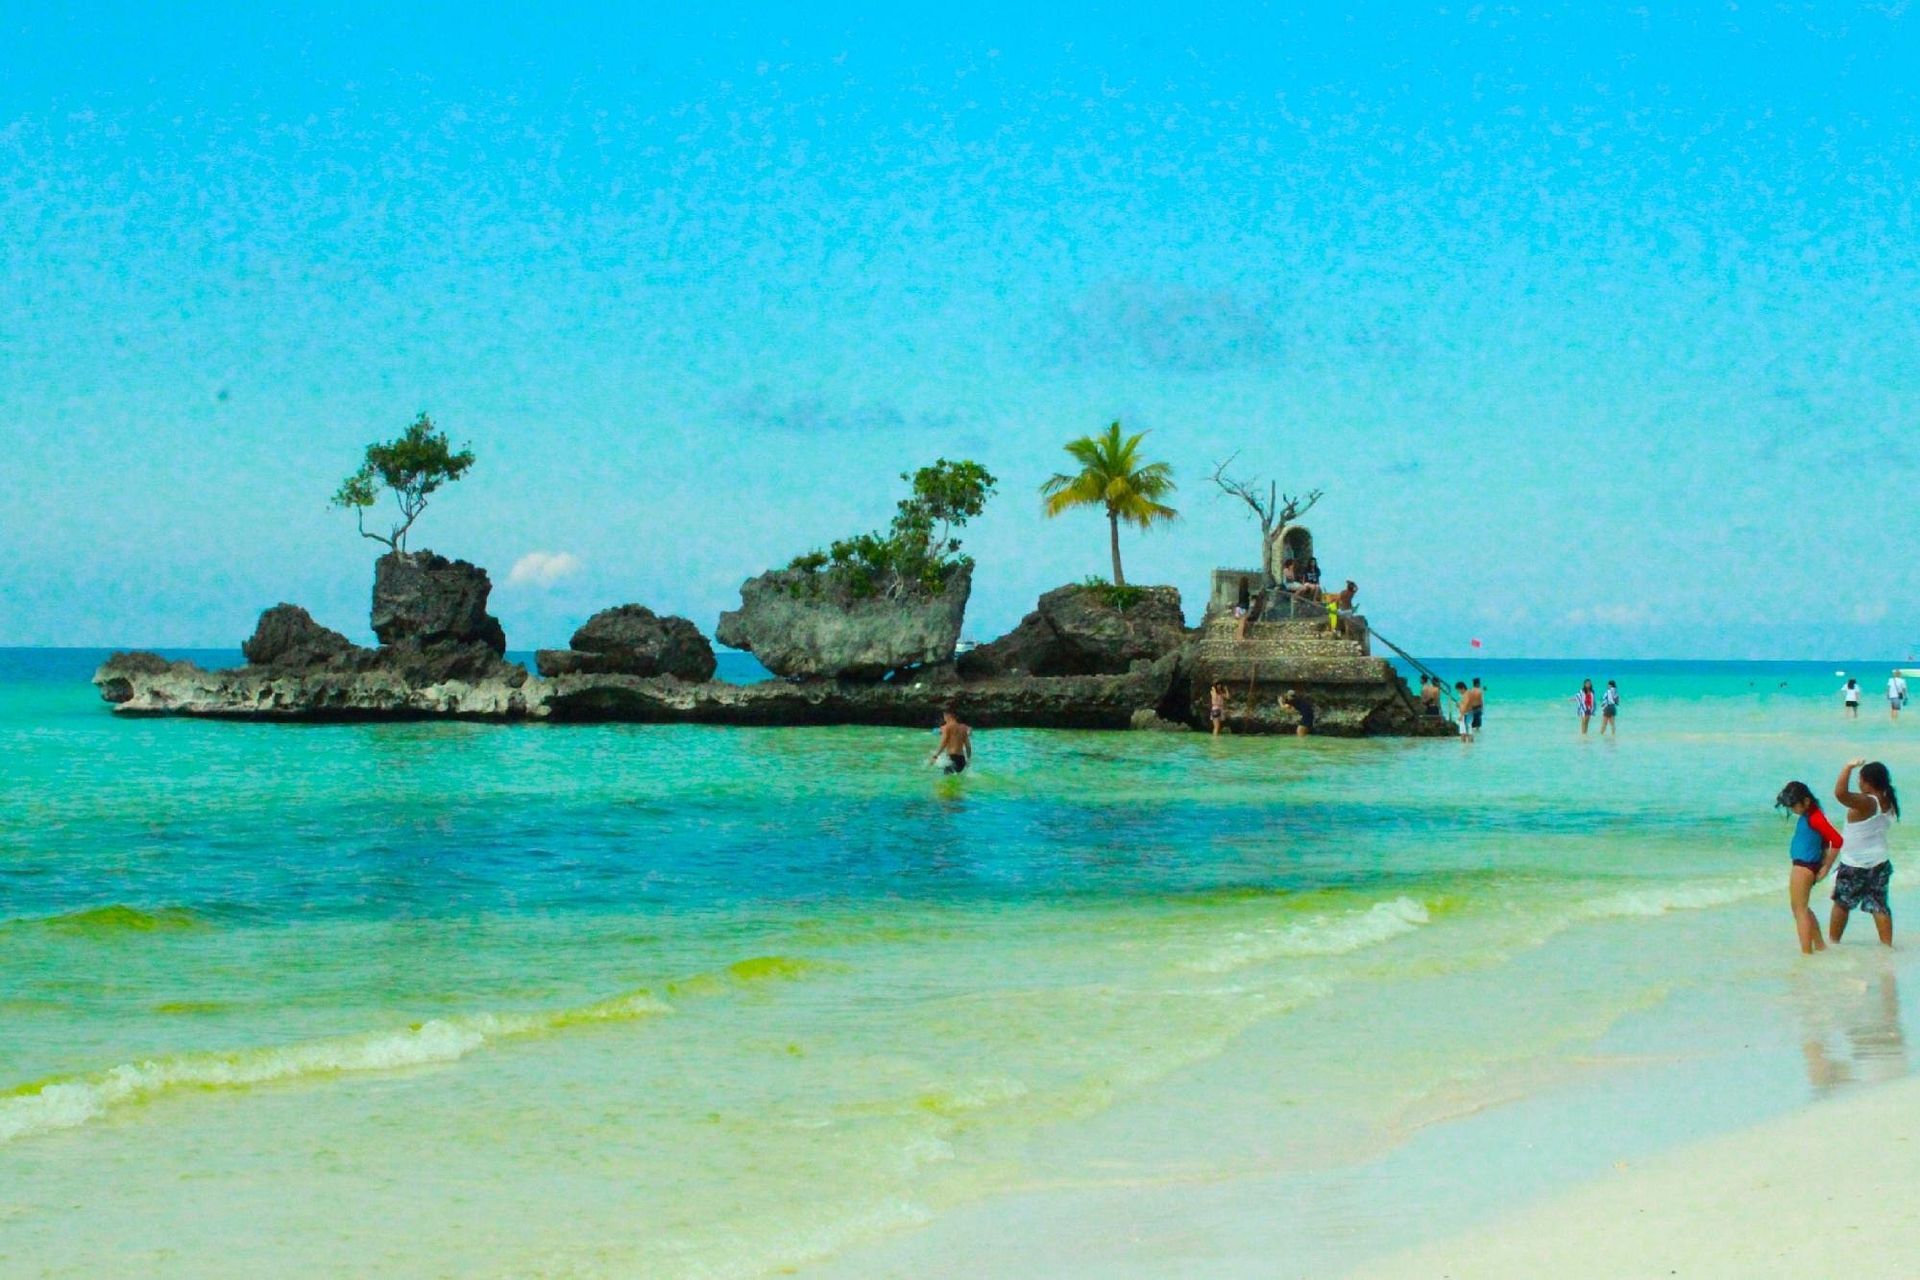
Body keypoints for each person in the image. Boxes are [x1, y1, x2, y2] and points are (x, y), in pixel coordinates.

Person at [1830, 759, 1900, 946]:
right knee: (1879, 905)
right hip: (1880, 861)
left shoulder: (1868, 802)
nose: (1858, 784)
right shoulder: (1887, 798)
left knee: (1842, 904)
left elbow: (1840, 794)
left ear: (1868, 782)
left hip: (1855, 863)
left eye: (1860, 780)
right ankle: (1887, 948)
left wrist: (1848, 767)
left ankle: (1833, 944)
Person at [1775, 780, 1844, 954]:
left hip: (1804, 867)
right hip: (1806, 866)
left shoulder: (1815, 817)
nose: (1792, 810)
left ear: (1806, 801)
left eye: (1794, 806)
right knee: (1802, 908)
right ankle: (1819, 945)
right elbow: (1823, 841)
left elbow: (1837, 840)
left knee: (1800, 910)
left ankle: (1807, 953)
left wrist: (1826, 867)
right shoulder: (1812, 814)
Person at [928, 706, 973, 774]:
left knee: (947, 781)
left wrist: (935, 756)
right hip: (962, 760)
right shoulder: (963, 728)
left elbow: (943, 743)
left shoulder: (947, 727)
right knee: (955, 779)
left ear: (948, 715)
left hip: (952, 758)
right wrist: (968, 759)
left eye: (944, 715)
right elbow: (968, 746)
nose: (944, 718)